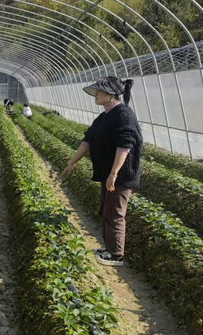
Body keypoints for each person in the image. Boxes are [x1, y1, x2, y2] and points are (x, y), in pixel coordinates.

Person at [59, 76, 142, 267]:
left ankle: (116, 255)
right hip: (109, 173)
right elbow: (87, 140)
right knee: (106, 211)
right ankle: (109, 249)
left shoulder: (123, 114)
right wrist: (72, 163)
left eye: (99, 90)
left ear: (111, 94)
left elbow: (125, 146)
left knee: (114, 213)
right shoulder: (105, 115)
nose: (95, 94)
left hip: (121, 175)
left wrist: (113, 174)